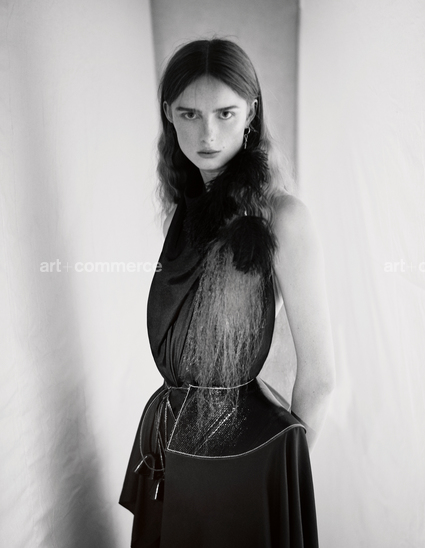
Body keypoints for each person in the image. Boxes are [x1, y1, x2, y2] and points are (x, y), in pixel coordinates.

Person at [119, 38, 335, 548]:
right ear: (168, 114)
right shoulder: (184, 213)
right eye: (190, 114)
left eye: (225, 113)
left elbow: (320, 376)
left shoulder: (284, 217)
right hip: (170, 444)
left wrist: (277, 477)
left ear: (251, 114)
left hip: (244, 465)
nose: (208, 134)